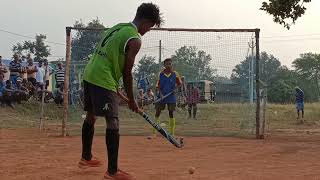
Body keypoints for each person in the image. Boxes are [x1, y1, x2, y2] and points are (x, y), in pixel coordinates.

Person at [78, 3, 163, 180]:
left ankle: (86, 157)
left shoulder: (118, 28)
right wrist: (132, 100)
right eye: (151, 26)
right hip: (103, 77)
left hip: (90, 73)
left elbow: (108, 57)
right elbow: (127, 72)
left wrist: (116, 89)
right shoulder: (134, 39)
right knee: (113, 122)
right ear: (146, 22)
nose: (148, 30)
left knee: (91, 115)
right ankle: (112, 171)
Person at [153, 58, 182, 137]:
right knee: (157, 112)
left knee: (171, 113)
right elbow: (157, 86)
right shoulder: (160, 74)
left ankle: (171, 133)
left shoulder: (175, 74)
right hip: (161, 96)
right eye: (167, 64)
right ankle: (154, 133)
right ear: (164, 65)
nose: (169, 65)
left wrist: (175, 89)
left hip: (171, 96)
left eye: (170, 64)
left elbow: (180, 84)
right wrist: (161, 94)